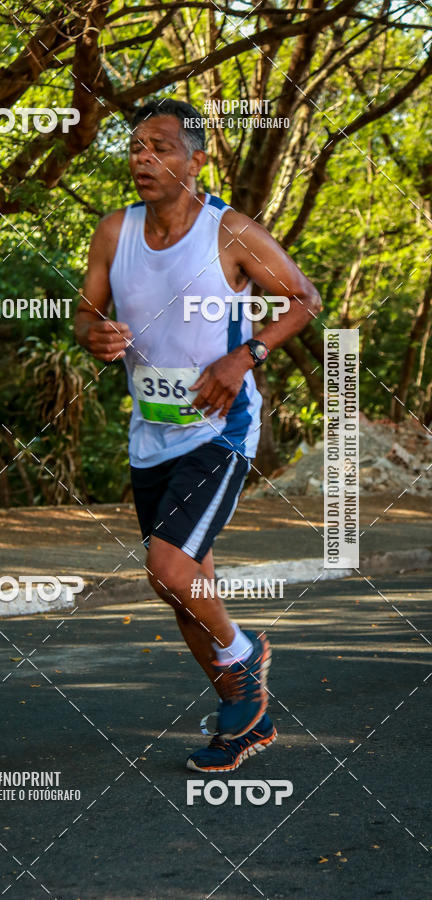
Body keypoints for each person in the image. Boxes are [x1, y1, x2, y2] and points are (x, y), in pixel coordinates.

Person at [74, 98, 322, 772]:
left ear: (196, 160)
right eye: (135, 148)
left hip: (222, 429)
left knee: (168, 566)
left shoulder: (230, 233)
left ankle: (244, 655)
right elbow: (86, 313)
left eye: (160, 147)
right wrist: (95, 335)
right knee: (181, 588)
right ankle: (242, 721)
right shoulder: (112, 231)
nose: (142, 159)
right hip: (151, 432)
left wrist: (245, 356)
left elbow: (304, 298)